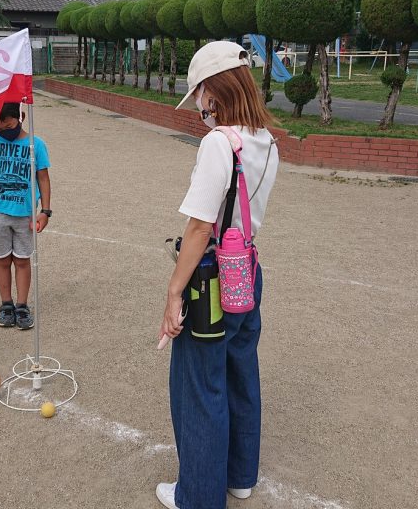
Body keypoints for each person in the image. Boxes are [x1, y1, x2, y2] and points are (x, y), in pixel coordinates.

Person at [156, 41, 280, 509]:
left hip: (209, 280)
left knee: (200, 385)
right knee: (240, 372)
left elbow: (199, 224)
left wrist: (173, 293)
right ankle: (240, 476)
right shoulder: (267, 140)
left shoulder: (218, 142)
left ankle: (199, 497)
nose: (200, 109)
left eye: (200, 98)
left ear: (213, 89)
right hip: (247, 271)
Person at [0, 102, 51, 330]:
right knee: (3, 259)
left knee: (22, 261)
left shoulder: (36, 145)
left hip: (25, 215)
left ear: (21, 116)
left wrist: (45, 211)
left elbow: (43, 178)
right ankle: (6, 304)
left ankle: (22, 305)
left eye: (8, 126)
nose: (4, 131)